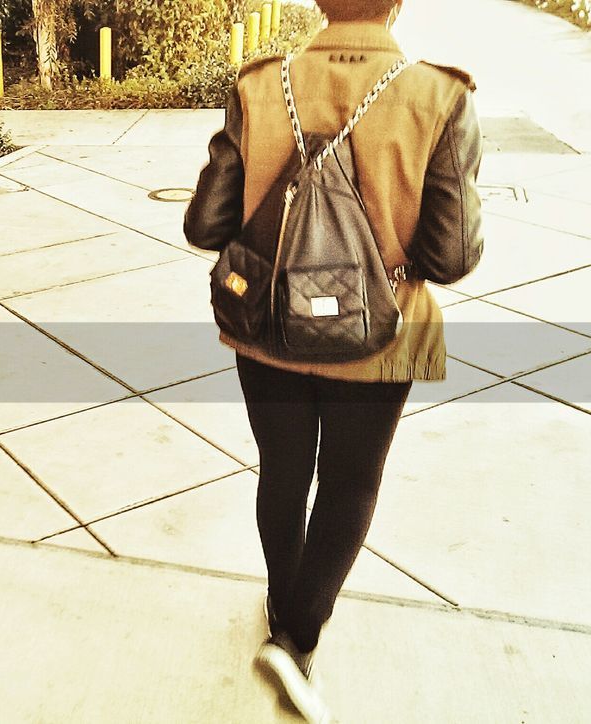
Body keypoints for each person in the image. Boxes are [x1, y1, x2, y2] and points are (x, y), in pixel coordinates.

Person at [184, 0, 482, 720]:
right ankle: (296, 638)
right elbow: (449, 255)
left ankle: (283, 610)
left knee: (282, 473)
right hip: (382, 336)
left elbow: (205, 225)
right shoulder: (438, 96)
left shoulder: (259, 84)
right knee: (351, 485)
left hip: (267, 330)